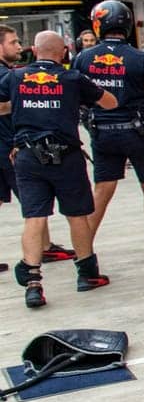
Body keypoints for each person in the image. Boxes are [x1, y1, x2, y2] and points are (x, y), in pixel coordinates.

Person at [0, 31, 118, 307]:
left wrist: (18, 108)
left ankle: (32, 283)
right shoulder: (72, 79)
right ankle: (87, 274)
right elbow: (109, 102)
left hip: (29, 156)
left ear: (34, 50)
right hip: (65, 157)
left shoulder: (16, 76)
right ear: (63, 52)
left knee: (34, 218)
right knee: (77, 215)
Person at [73, 0, 144, 265]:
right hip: (138, 131)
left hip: (102, 131)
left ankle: (84, 253)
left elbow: (75, 98)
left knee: (102, 190)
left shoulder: (82, 58)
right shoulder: (141, 58)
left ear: (98, 24)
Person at [0, 24, 76, 274]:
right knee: (34, 206)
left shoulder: (9, 72)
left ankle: (45, 246)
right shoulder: (5, 74)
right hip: (8, 146)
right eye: (13, 42)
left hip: (7, 143)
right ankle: (41, 252)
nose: (19, 47)